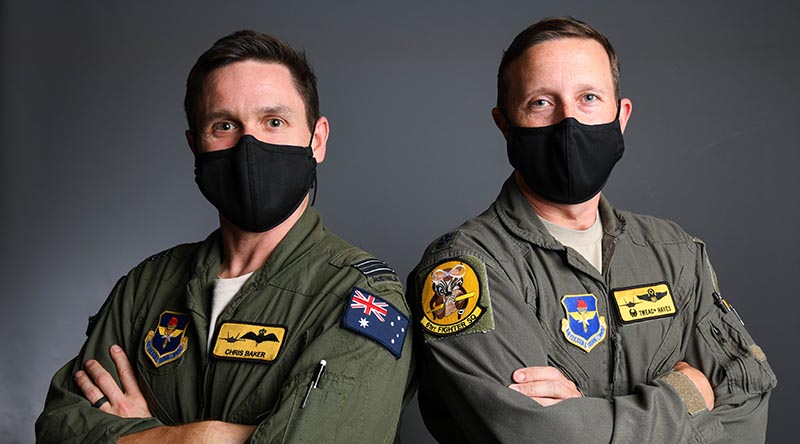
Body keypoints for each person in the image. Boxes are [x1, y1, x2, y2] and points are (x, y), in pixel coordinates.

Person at [407, 17, 776, 444]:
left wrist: (586, 414)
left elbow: (747, 401)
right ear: (505, 124)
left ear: (620, 117)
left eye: (589, 98)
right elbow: (537, 436)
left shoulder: (675, 253)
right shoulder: (465, 271)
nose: (569, 122)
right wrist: (684, 395)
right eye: (541, 102)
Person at [36, 30, 413, 444]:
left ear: (317, 140)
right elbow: (58, 425)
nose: (249, 145)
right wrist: (195, 438)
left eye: (274, 121)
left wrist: (142, 434)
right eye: (224, 125)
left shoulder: (360, 298)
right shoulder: (147, 287)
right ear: (195, 145)